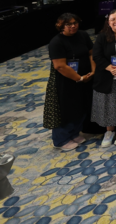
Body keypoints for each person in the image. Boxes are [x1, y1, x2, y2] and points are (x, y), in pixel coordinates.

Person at [44, 14, 94, 151]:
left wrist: (93, 71)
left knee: (81, 106)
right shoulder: (56, 42)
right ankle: (61, 140)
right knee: (67, 110)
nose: (73, 26)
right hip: (66, 81)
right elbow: (59, 66)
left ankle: (74, 133)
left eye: (75, 23)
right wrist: (79, 78)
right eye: (68, 24)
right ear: (61, 26)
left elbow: (91, 53)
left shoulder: (83, 35)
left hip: (85, 78)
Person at [92, 10, 116, 148]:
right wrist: (110, 68)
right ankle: (109, 131)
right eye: (113, 19)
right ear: (108, 22)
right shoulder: (102, 36)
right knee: (108, 103)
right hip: (106, 75)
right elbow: (97, 55)